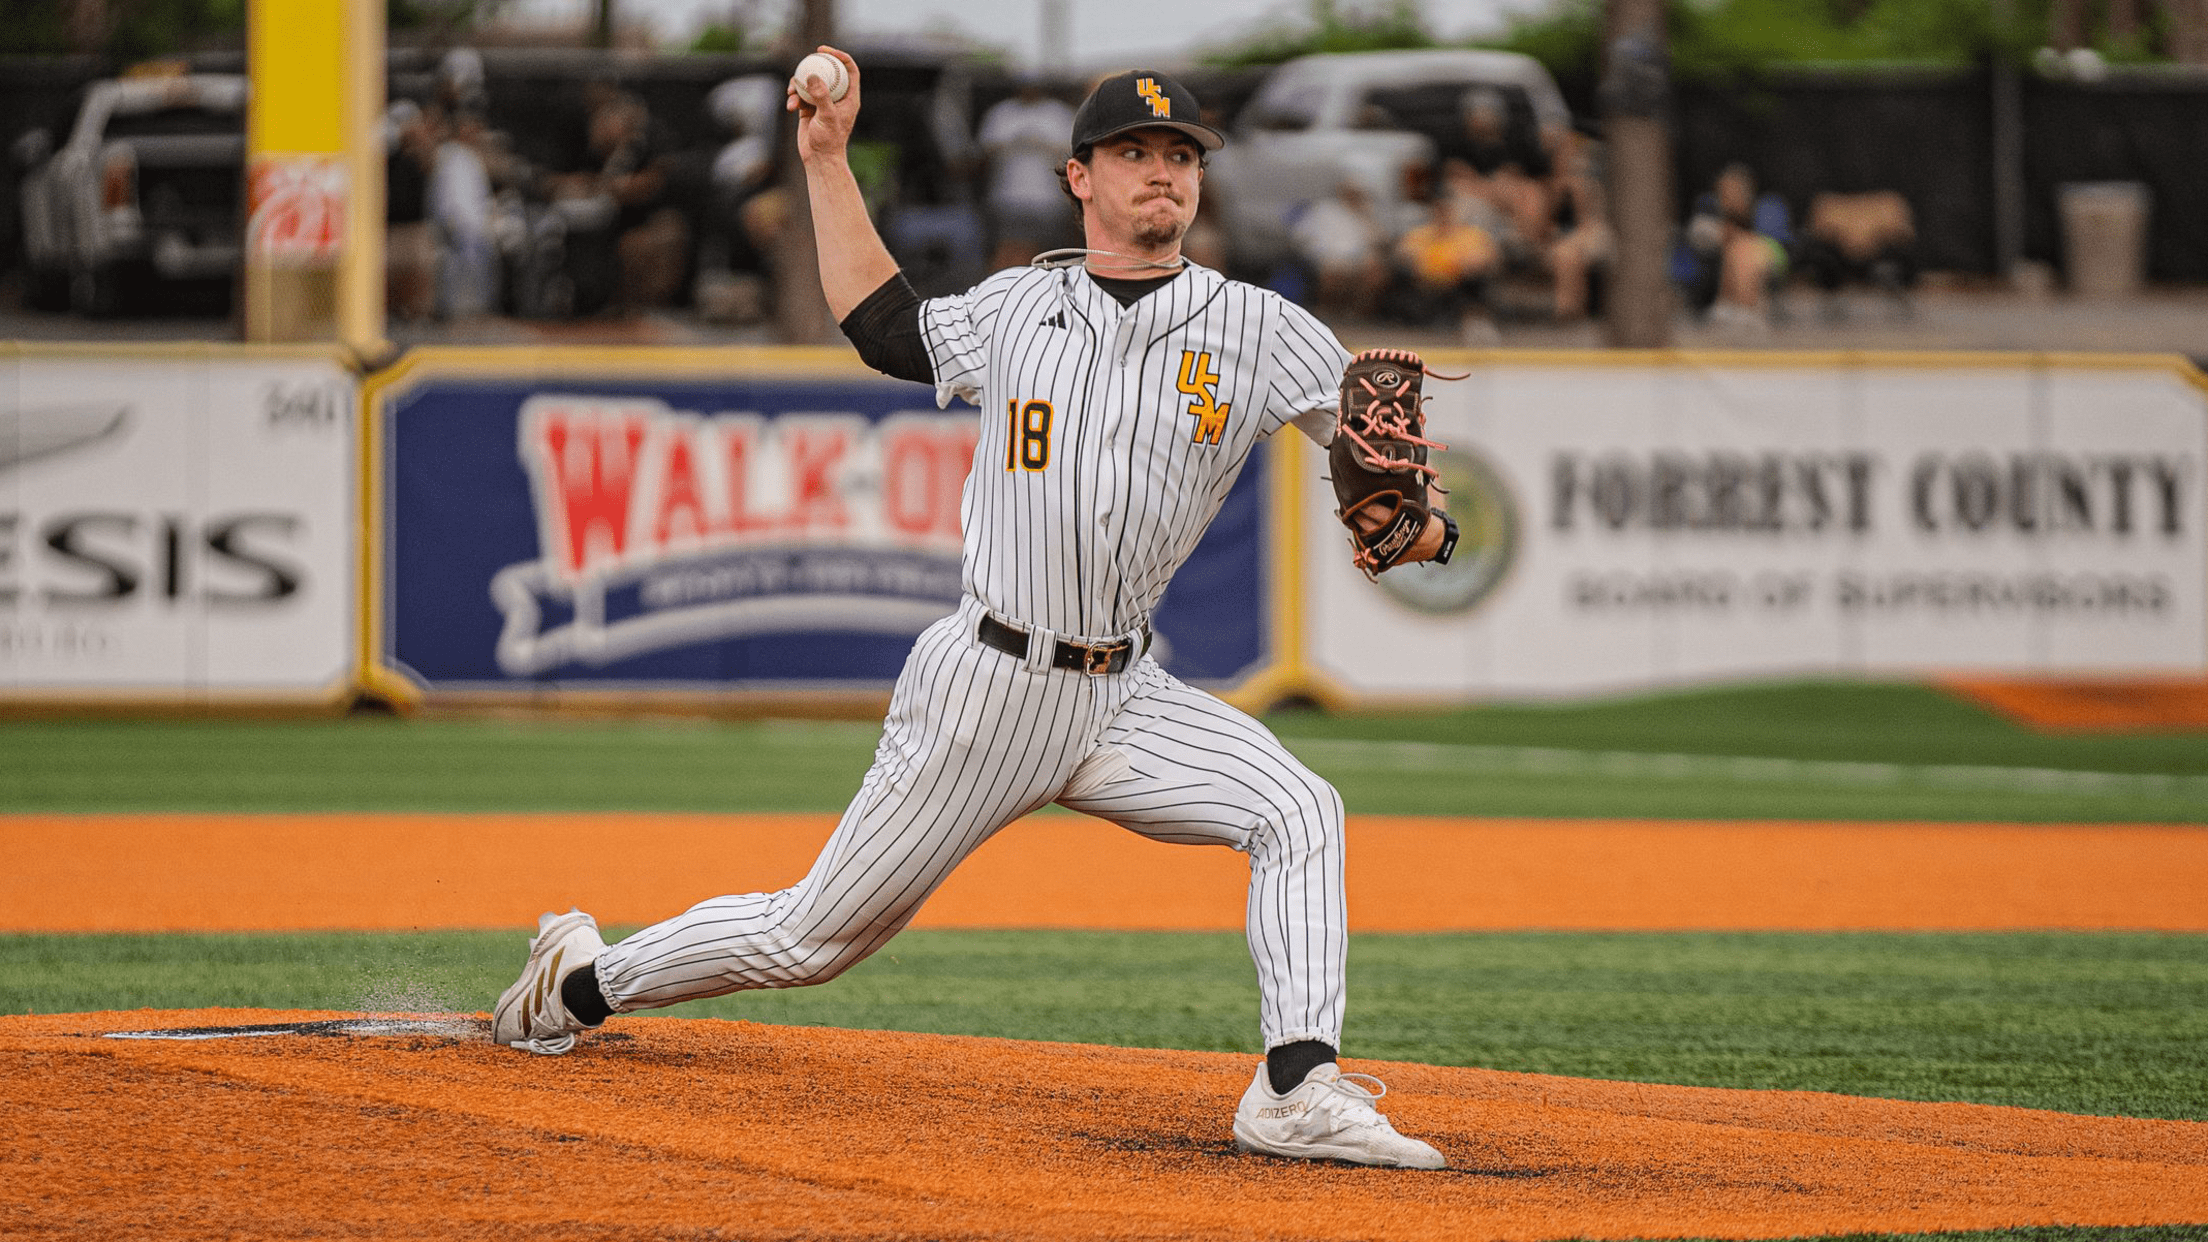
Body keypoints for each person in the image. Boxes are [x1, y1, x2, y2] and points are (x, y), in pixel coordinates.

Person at [490, 53, 1457, 1172]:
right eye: (1135, 154)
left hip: (1124, 694)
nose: (1162, 174)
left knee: (1300, 811)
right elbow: (882, 325)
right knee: (810, 939)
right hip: (988, 688)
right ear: (1076, 177)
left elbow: (1391, 476)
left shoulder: (1262, 328)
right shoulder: (1016, 307)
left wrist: (1424, 527)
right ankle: (578, 981)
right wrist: (823, 157)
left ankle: (1297, 1088)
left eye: (1181, 156)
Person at [975, 75, 1078, 269]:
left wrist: (1043, 146)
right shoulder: (1002, 112)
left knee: (1039, 254)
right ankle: (1001, 292)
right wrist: (1013, 144)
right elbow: (983, 153)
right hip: (1007, 197)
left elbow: (1073, 154)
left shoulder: (1058, 114)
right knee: (1006, 249)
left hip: (1047, 200)